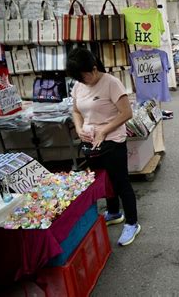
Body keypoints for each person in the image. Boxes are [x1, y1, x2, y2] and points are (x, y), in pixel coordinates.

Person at [66, 48, 141, 246]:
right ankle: (114, 212)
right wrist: (79, 127)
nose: (81, 82)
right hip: (91, 141)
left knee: (120, 182)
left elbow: (126, 113)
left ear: (93, 68)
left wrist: (104, 131)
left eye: (83, 77)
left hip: (113, 140)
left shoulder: (111, 83)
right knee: (102, 180)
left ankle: (132, 223)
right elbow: (75, 110)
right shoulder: (78, 85)